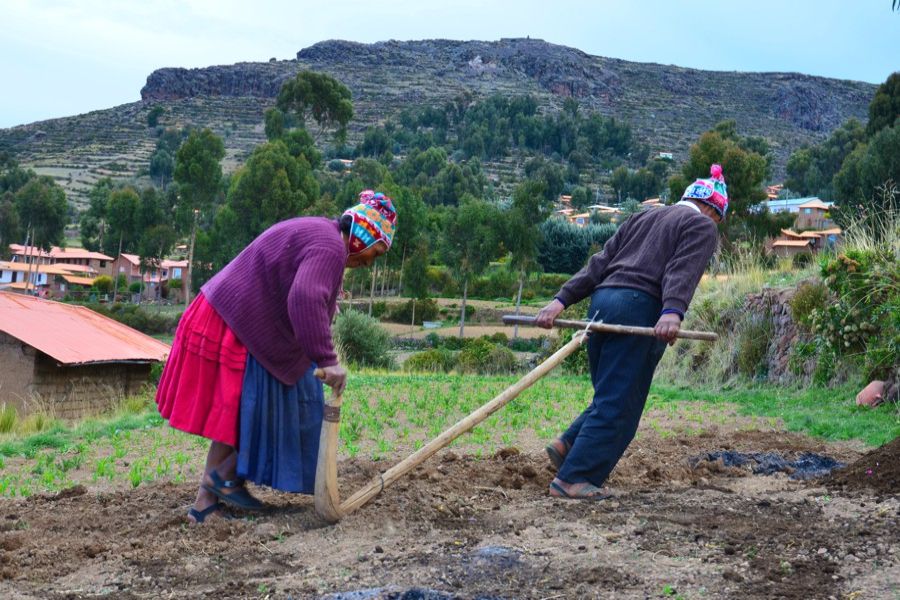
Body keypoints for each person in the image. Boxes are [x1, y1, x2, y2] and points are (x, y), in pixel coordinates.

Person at [156, 190, 397, 523]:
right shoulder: (330, 247)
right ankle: (221, 480)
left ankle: (205, 504)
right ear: (362, 236)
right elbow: (305, 298)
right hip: (231, 320)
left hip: (231, 315)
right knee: (263, 407)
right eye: (376, 251)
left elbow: (305, 286)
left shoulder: (325, 237)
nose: (371, 262)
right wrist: (327, 360)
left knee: (248, 408)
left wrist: (328, 307)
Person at [535, 165, 726, 499]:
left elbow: (599, 262)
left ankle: (569, 445)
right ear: (713, 211)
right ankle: (573, 479)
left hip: (601, 305)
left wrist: (560, 300)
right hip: (638, 309)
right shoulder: (701, 225)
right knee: (621, 404)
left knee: (611, 393)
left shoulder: (642, 217)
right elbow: (682, 269)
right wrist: (672, 310)